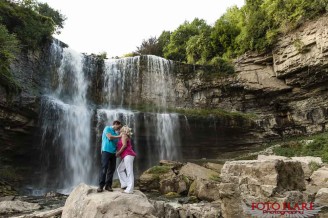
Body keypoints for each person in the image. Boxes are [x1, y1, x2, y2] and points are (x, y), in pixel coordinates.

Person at [97, 120, 122, 192]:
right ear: (115, 124)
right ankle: (100, 186)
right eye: (119, 126)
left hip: (113, 153)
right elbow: (109, 137)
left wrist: (118, 152)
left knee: (111, 169)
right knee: (104, 168)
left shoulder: (115, 133)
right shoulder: (107, 128)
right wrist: (119, 136)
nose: (119, 129)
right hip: (106, 151)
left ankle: (108, 186)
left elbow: (116, 145)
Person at [116, 125, 136, 194]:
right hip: (126, 155)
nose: (119, 132)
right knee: (120, 169)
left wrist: (118, 153)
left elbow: (124, 145)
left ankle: (130, 189)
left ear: (123, 131)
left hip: (128, 155)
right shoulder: (123, 136)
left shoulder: (124, 135)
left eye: (120, 131)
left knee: (129, 171)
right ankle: (125, 184)